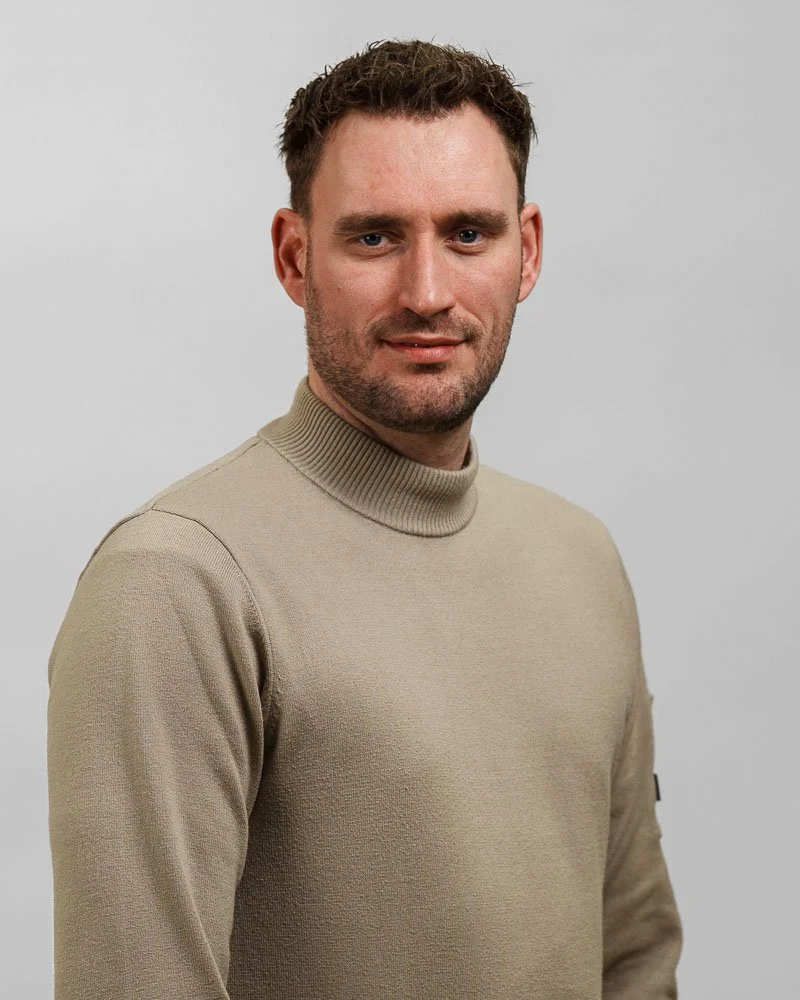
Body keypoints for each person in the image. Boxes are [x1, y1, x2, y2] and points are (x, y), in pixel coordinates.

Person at [47, 38, 682, 999]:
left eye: (468, 233)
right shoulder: (177, 584)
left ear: (528, 251)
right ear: (294, 256)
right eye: (376, 237)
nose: (427, 293)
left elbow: (634, 963)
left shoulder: (583, 559)